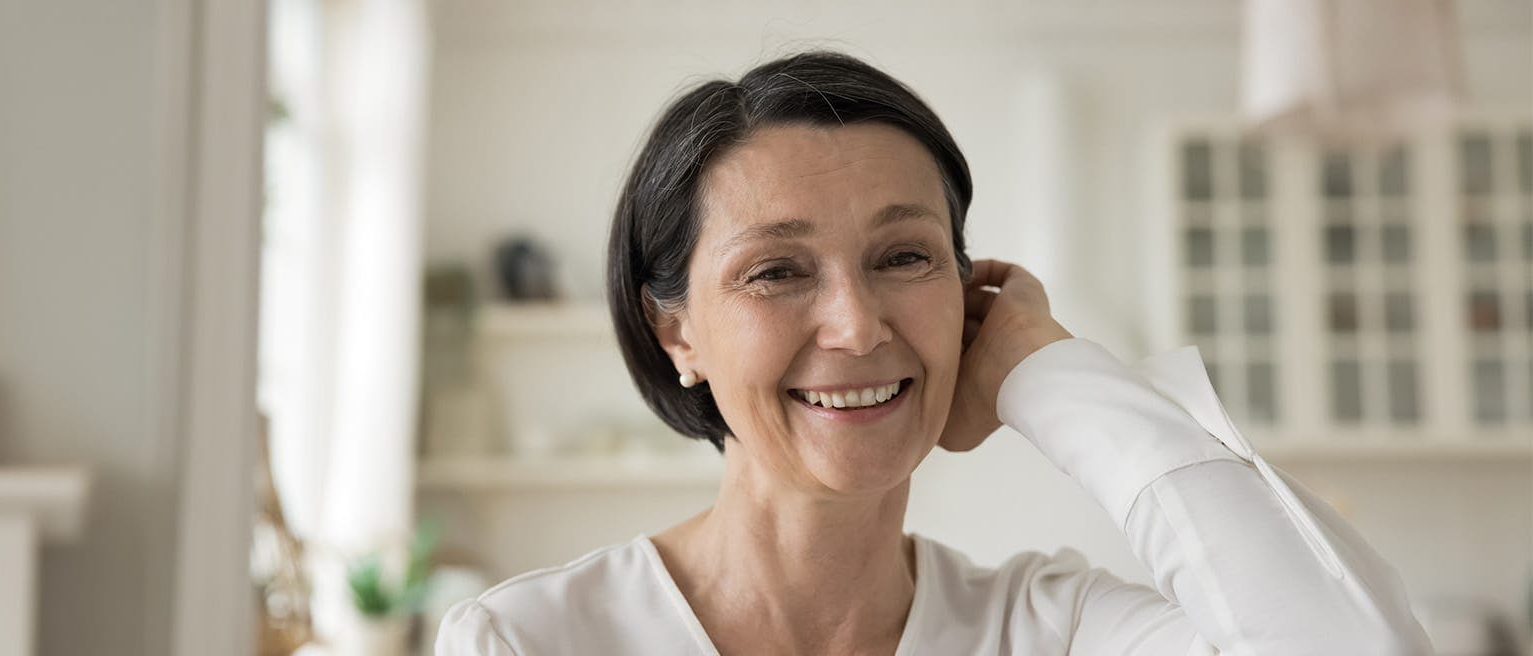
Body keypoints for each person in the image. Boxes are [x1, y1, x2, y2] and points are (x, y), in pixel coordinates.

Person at [434, 51, 1429, 655]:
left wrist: (1047, 375)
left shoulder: (1052, 630)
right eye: (777, 271)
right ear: (676, 329)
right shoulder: (528, 639)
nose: (858, 325)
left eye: (903, 256)